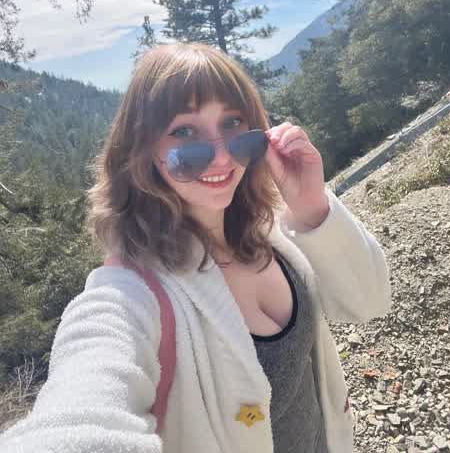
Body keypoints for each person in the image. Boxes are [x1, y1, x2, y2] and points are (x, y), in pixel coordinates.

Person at [0, 42, 392, 453]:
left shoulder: (272, 226)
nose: (221, 156)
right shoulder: (130, 295)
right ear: (144, 151)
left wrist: (313, 208)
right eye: (185, 132)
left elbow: (370, 302)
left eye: (233, 123)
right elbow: (82, 410)